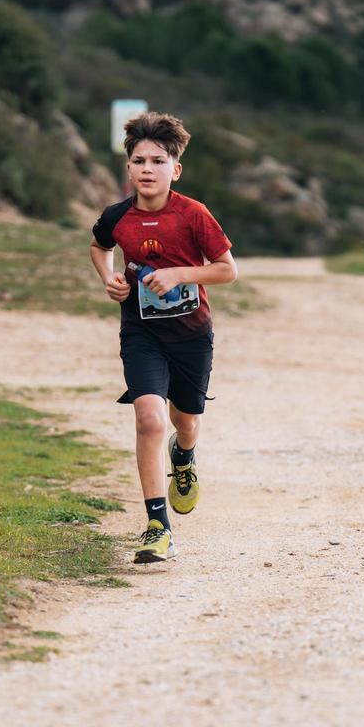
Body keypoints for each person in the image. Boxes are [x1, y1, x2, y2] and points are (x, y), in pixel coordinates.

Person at [88, 112, 238, 563]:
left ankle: (185, 457)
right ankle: (157, 526)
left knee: (184, 422)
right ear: (128, 169)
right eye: (139, 161)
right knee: (149, 419)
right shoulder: (117, 216)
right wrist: (108, 277)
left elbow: (228, 270)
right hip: (140, 333)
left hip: (192, 336)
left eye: (158, 160)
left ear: (175, 169)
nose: (147, 169)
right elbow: (99, 246)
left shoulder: (193, 215)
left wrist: (177, 275)